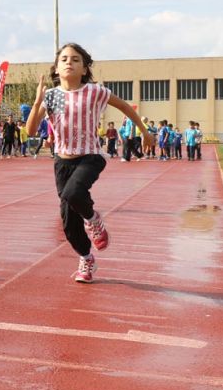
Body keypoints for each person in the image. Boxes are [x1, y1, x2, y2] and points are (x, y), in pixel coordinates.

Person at [25, 42, 147, 284]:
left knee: (73, 193)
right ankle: (86, 258)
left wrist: (144, 131)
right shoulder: (52, 96)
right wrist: (37, 103)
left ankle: (93, 220)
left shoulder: (94, 91)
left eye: (75, 59)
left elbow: (124, 106)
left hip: (90, 157)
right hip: (62, 161)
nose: (69, 62)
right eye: (64, 59)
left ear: (84, 68)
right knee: (69, 223)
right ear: (56, 68)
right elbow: (30, 131)